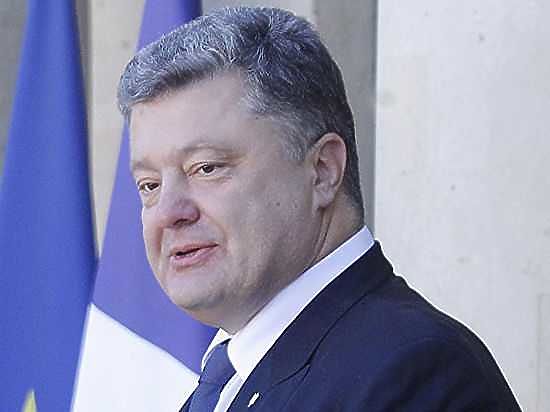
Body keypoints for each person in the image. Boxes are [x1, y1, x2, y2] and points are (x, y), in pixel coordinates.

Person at [117, 6, 521, 412]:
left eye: (207, 168)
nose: (168, 212)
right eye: (149, 185)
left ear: (323, 170)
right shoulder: (228, 382)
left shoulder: (416, 372)